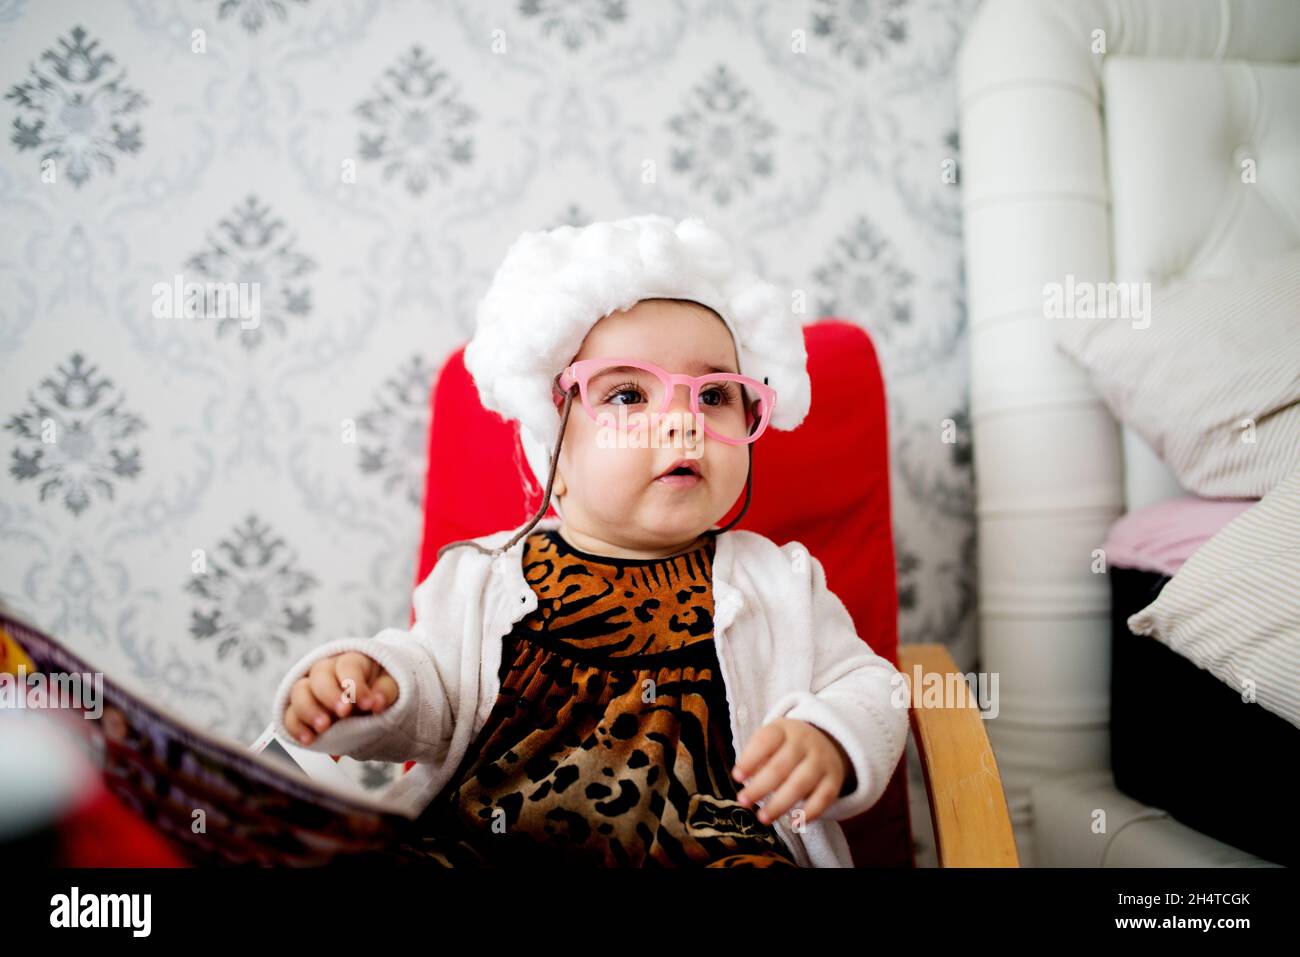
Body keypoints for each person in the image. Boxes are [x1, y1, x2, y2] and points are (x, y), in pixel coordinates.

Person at [269, 215, 909, 867]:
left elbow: (872, 687)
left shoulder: (779, 582)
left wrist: (830, 737)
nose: (684, 420)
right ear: (552, 448)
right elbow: (430, 693)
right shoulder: (483, 576)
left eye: (714, 393)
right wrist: (374, 683)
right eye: (629, 392)